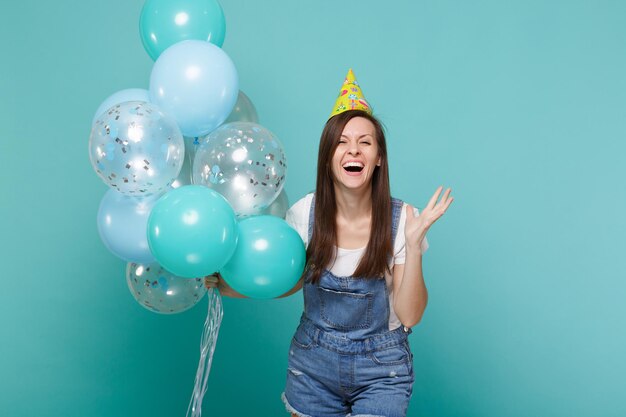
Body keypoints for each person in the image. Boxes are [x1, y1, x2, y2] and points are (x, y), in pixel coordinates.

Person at [207, 69, 453, 417]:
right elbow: (291, 281)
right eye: (342, 142)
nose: (353, 150)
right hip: (313, 365)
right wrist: (231, 286)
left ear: (379, 158)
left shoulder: (403, 220)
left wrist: (413, 247)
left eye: (365, 142)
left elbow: (411, 314)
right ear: (327, 157)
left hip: (382, 370)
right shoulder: (305, 212)